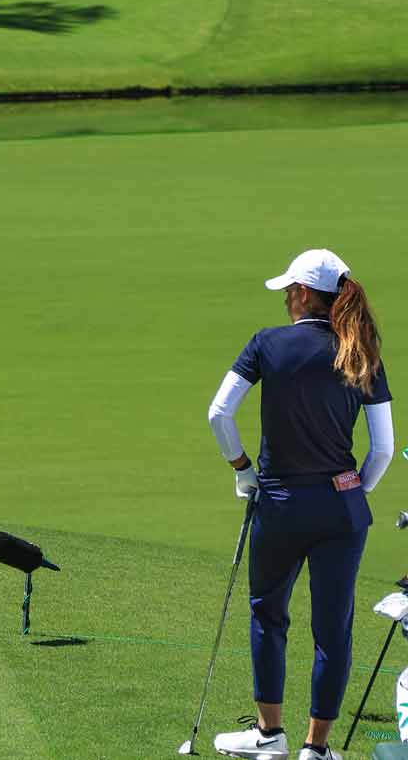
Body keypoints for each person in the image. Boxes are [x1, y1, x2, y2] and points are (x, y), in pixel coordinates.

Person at [208, 249, 393, 760]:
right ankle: (317, 749)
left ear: (305, 294)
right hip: (341, 509)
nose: (287, 297)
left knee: (269, 614)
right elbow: (381, 450)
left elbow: (219, 413)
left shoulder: (268, 343)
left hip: (281, 504)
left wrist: (243, 471)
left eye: (290, 289)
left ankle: (271, 738)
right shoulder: (362, 351)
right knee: (333, 628)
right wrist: (356, 488)